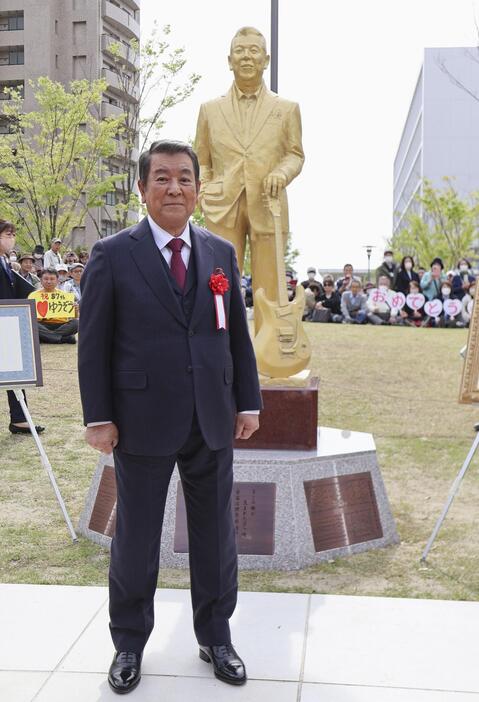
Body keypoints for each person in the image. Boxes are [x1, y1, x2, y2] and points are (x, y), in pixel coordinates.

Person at [78, 140, 262, 694]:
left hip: (212, 417)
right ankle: (128, 643)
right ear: (142, 189)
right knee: (136, 536)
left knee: (215, 536)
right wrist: (98, 417)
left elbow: (236, 338)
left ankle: (216, 635)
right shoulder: (112, 254)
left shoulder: (221, 254)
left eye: (185, 177)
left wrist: (247, 401)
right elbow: (94, 344)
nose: (174, 187)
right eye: (162, 178)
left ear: (199, 188)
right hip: (140, 420)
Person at [195, 27, 304, 332]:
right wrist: (204, 191)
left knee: (270, 287)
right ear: (229, 60)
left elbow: (295, 154)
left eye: (254, 50)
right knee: (219, 283)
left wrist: (281, 173)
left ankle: (269, 353)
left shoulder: (286, 109)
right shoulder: (209, 110)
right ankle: (221, 350)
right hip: (221, 204)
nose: (247, 56)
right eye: (240, 50)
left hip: (268, 204)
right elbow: (200, 160)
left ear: (266, 59)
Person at [0, 220, 44, 435]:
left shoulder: (5, 261)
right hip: (4, 320)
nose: (12, 238)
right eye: (8, 234)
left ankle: (19, 418)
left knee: (15, 371)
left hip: (9, 322)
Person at [29, 268, 79, 344]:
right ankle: (63, 339)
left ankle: (46, 338)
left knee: (76, 323)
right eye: (46, 279)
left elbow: (74, 317)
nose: (49, 281)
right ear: (41, 280)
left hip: (61, 325)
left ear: (57, 281)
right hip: (42, 325)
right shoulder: (33, 295)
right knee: (31, 324)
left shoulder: (64, 295)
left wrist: (75, 310)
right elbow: (29, 315)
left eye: (52, 279)